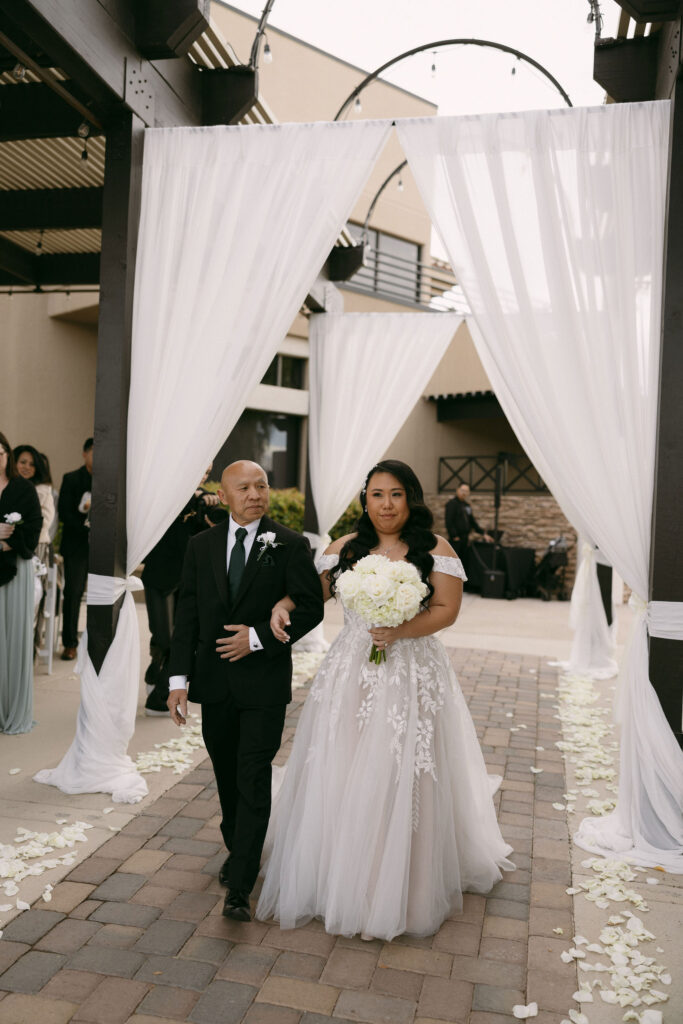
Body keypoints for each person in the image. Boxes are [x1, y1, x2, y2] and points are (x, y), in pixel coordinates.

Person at [256, 459, 513, 941]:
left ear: (410, 499)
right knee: (345, 762)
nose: (386, 504)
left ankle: (404, 882)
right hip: (351, 671)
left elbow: (446, 610)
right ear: (365, 500)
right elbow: (311, 597)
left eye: (396, 494)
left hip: (413, 671)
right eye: (377, 495)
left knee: (403, 769)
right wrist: (283, 605)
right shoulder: (343, 550)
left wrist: (399, 631)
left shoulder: (435, 549)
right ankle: (338, 871)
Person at [167, 460, 324, 922]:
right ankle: (239, 848)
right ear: (224, 493)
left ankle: (240, 886)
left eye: (262, 485)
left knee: (253, 777)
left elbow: (311, 607)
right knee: (227, 777)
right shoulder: (201, 545)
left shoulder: (290, 545)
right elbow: (189, 615)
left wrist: (256, 637)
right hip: (214, 686)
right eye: (245, 487)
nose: (255, 494)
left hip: (263, 686)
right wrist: (178, 681)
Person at [141, 466, 220, 716]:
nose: (204, 474)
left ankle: (159, 696)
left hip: (186, 578)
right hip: (157, 574)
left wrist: (209, 518)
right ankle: (155, 668)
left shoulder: (206, 499)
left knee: (181, 640)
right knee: (163, 638)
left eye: (208, 470)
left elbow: (215, 528)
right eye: (200, 468)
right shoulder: (167, 495)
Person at [0, 431, 43, 734]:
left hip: (16, 569)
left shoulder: (23, 488)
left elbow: (36, 526)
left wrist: (11, 540)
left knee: (14, 639)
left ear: (7, 455)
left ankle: (12, 709)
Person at [13, 445, 56, 653]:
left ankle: (28, 650)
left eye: (31, 464)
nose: (26, 467)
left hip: (36, 548)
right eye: (22, 462)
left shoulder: (43, 490)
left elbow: (45, 522)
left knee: (33, 599)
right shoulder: (9, 485)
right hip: (9, 547)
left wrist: (18, 532)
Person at [58, 437, 93, 660]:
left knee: (104, 594)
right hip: (76, 545)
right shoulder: (71, 478)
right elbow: (64, 513)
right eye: (94, 452)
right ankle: (70, 642)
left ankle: (97, 642)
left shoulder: (110, 479)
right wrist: (87, 529)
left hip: (103, 546)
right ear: (85, 453)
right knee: (73, 592)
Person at [445, 481, 494, 559]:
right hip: (456, 539)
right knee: (455, 560)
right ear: (457, 490)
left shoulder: (467, 506)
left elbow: (472, 522)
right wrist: (454, 536)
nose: (464, 493)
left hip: (465, 538)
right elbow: (449, 521)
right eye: (462, 490)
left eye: (466, 491)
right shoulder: (452, 504)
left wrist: (483, 534)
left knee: (464, 560)